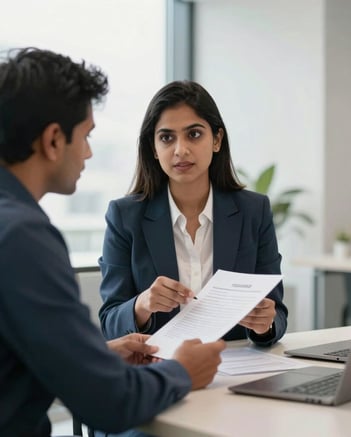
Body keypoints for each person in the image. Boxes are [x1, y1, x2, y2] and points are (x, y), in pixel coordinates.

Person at [0, 48, 226, 437]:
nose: (88, 152)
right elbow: (109, 402)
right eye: (85, 136)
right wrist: (182, 372)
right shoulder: (21, 237)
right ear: (54, 140)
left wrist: (100, 356)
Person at [99, 80, 288, 347]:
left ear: (217, 140)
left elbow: (277, 314)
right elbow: (109, 323)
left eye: (194, 134)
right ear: (154, 148)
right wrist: (142, 305)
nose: (180, 150)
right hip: (159, 373)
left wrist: (264, 324)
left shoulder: (253, 211)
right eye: (166, 138)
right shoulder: (124, 216)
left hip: (233, 371)